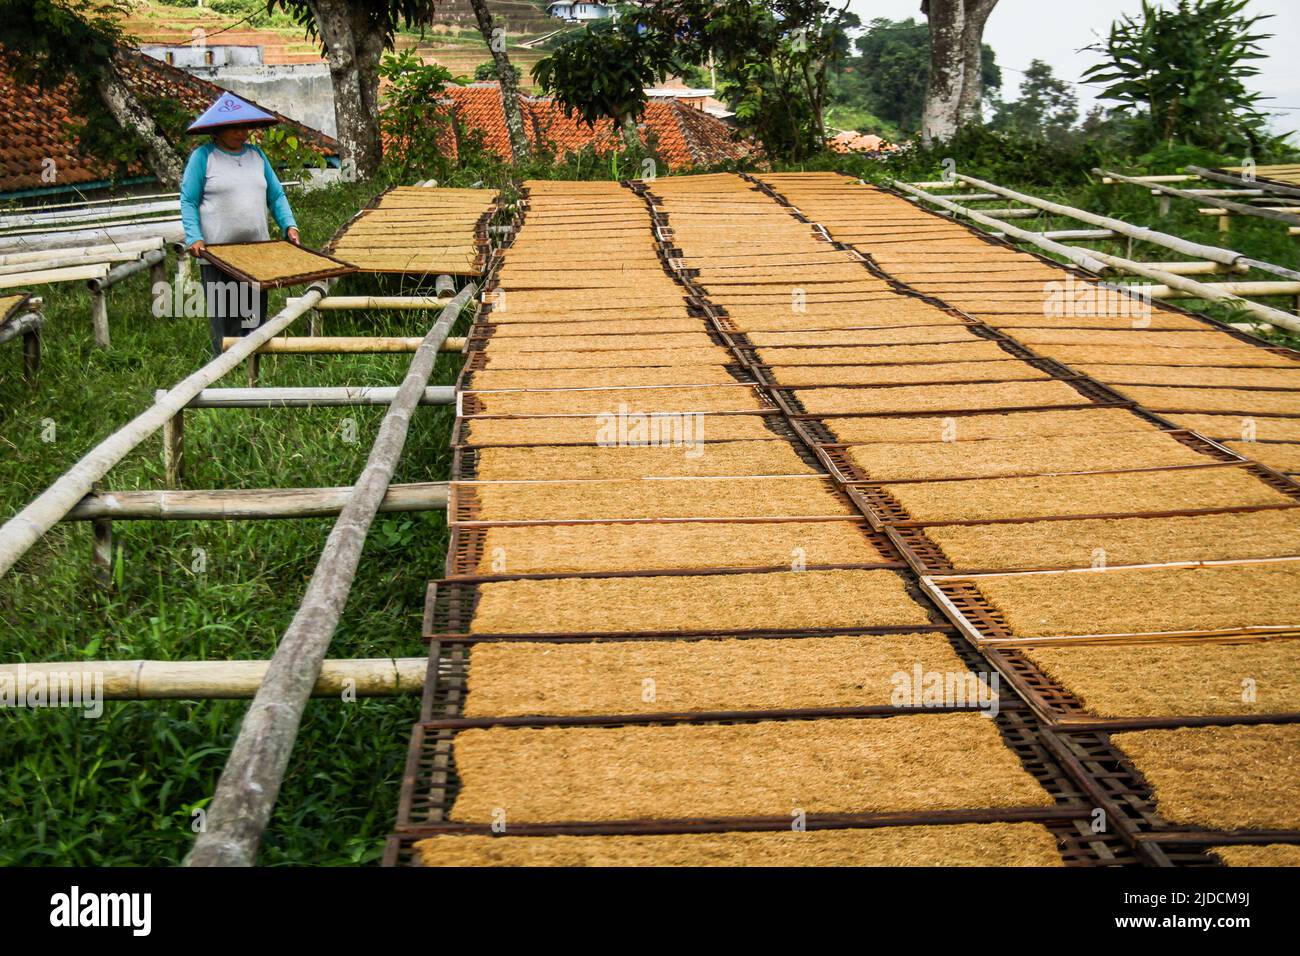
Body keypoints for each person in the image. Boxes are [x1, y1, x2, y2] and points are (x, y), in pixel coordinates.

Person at [179, 93, 301, 357]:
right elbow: (188, 201)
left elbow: (276, 195)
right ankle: (223, 365)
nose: (241, 132)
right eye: (235, 127)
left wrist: (289, 225)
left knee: (254, 313)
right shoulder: (203, 157)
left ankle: (253, 360)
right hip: (218, 253)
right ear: (218, 129)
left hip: (257, 251)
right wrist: (194, 237)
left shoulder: (257, 156)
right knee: (226, 314)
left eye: (245, 127)